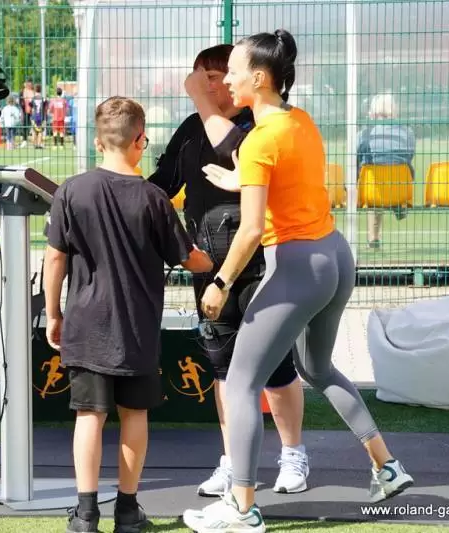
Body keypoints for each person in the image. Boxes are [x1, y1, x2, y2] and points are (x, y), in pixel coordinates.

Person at [181, 30, 414, 532]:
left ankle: (242, 508)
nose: (228, 80)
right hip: (335, 256)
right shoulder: (299, 120)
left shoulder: (259, 138)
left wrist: (220, 283)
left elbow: (250, 231)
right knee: (317, 367)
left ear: (258, 78)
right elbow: (285, 179)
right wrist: (240, 179)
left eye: (234, 71)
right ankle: (387, 466)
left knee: (241, 382)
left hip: (298, 267)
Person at [44, 96, 213, 533]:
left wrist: (53, 313)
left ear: (98, 142)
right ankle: (127, 510)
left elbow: (55, 258)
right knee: (135, 415)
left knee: (89, 416)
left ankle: (85, 514)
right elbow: (189, 258)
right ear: (140, 140)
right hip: (137, 328)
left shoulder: (71, 191)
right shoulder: (154, 199)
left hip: (85, 324)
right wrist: (219, 260)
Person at [148, 44, 309, 498]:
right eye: (200, 78)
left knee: (275, 364)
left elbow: (234, 148)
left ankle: (293, 454)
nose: (204, 86)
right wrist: (118, 196)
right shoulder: (190, 129)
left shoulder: (260, 124)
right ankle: (232, 460)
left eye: (213, 77)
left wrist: (202, 100)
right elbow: (162, 185)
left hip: (262, 264)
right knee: (222, 366)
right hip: (208, 265)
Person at [357, 93, 416, 249]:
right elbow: (409, 155)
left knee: (368, 175)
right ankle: (399, 204)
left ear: (372, 112)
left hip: (373, 191)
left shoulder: (365, 133)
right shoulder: (407, 132)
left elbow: (356, 157)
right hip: (399, 190)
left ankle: (373, 238)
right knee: (406, 167)